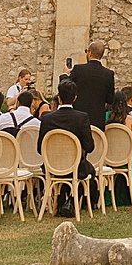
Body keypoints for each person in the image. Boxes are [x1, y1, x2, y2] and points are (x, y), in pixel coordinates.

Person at [36, 78, 96, 215]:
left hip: (51, 167)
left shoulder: (47, 118)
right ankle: (72, 200)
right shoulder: (81, 118)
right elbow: (90, 146)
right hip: (75, 167)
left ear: (58, 98)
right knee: (90, 171)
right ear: (75, 98)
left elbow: (40, 148)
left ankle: (65, 199)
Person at [68, 43, 118, 127]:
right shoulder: (108, 74)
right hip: (97, 119)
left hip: (78, 117)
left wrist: (65, 75)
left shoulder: (78, 69)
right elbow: (110, 99)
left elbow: (67, 88)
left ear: (90, 53)